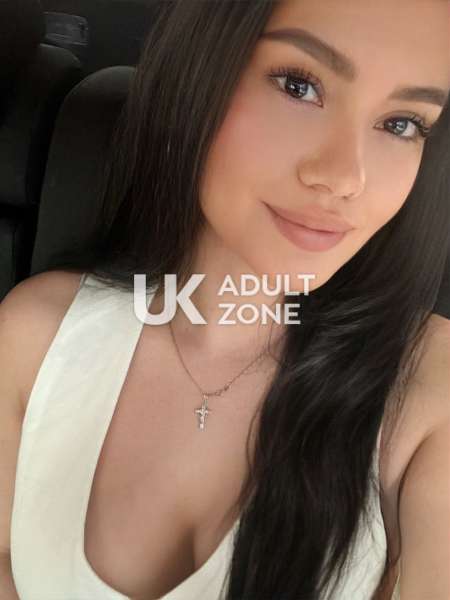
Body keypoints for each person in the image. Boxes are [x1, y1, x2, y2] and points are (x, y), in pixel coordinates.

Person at [1, 0, 449, 598]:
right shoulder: (34, 337)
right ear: (197, 74)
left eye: (402, 124)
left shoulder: (430, 390)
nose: (345, 177)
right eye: (299, 86)